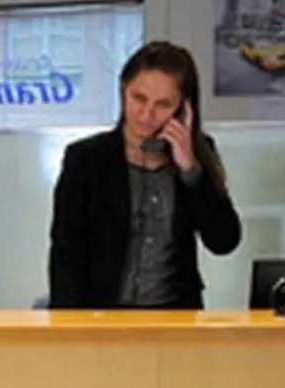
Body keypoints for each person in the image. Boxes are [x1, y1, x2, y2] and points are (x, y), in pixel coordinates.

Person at [49, 41, 241, 309]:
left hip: (175, 317)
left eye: (163, 104)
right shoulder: (86, 159)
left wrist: (190, 169)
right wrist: (68, 324)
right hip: (101, 316)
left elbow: (224, 241)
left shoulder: (197, 154)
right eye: (138, 98)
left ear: (182, 108)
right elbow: (66, 253)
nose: (146, 114)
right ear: (123, 90)